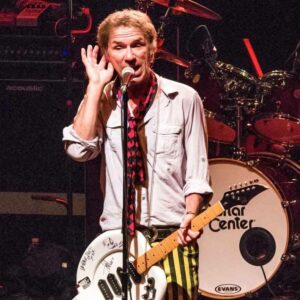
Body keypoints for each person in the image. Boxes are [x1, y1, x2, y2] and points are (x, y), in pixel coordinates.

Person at [63, 8, 213, 300]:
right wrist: (94, 87)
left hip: (171, 236)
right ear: (108, 54)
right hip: (117, 242)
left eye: (137, 45)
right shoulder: (102, 100)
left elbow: (197, 174)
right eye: (118, 47)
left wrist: (191, 214)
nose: (129, 56)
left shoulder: (183, 99)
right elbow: (79, 150)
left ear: (152, 50)